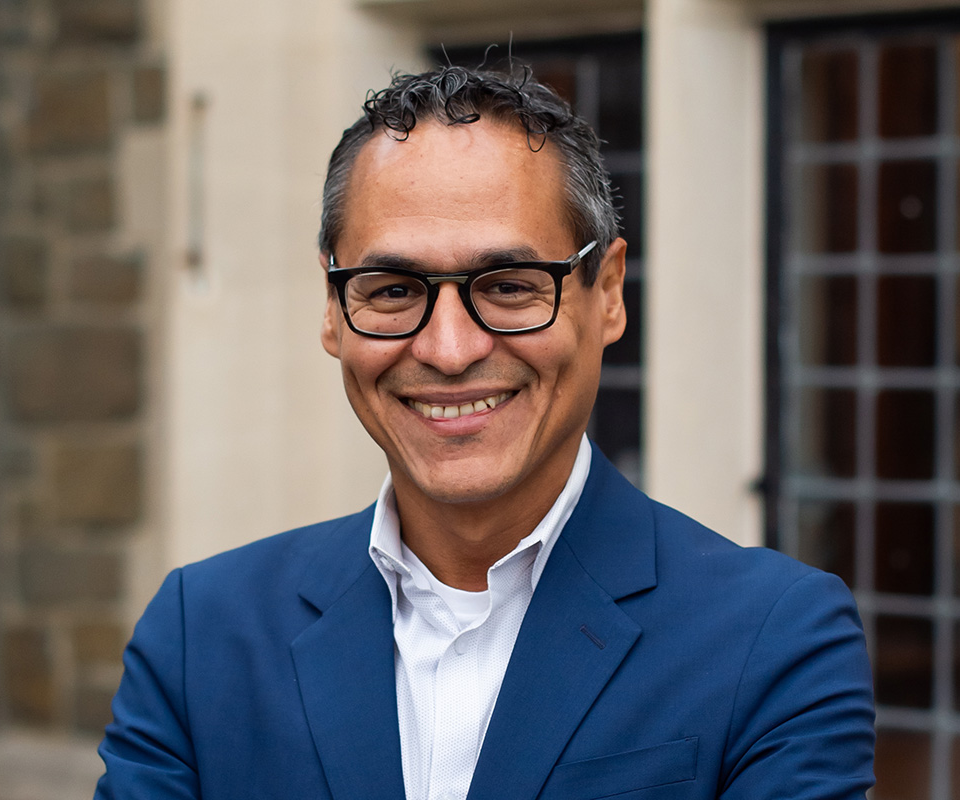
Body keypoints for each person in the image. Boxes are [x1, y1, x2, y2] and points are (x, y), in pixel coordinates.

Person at [95, 65, 875, 800]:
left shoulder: (774, 639)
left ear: (608, 293)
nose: (448, 349)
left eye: (507, 286)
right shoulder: (200, 634)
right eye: (393, 290)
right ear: (333, 311)